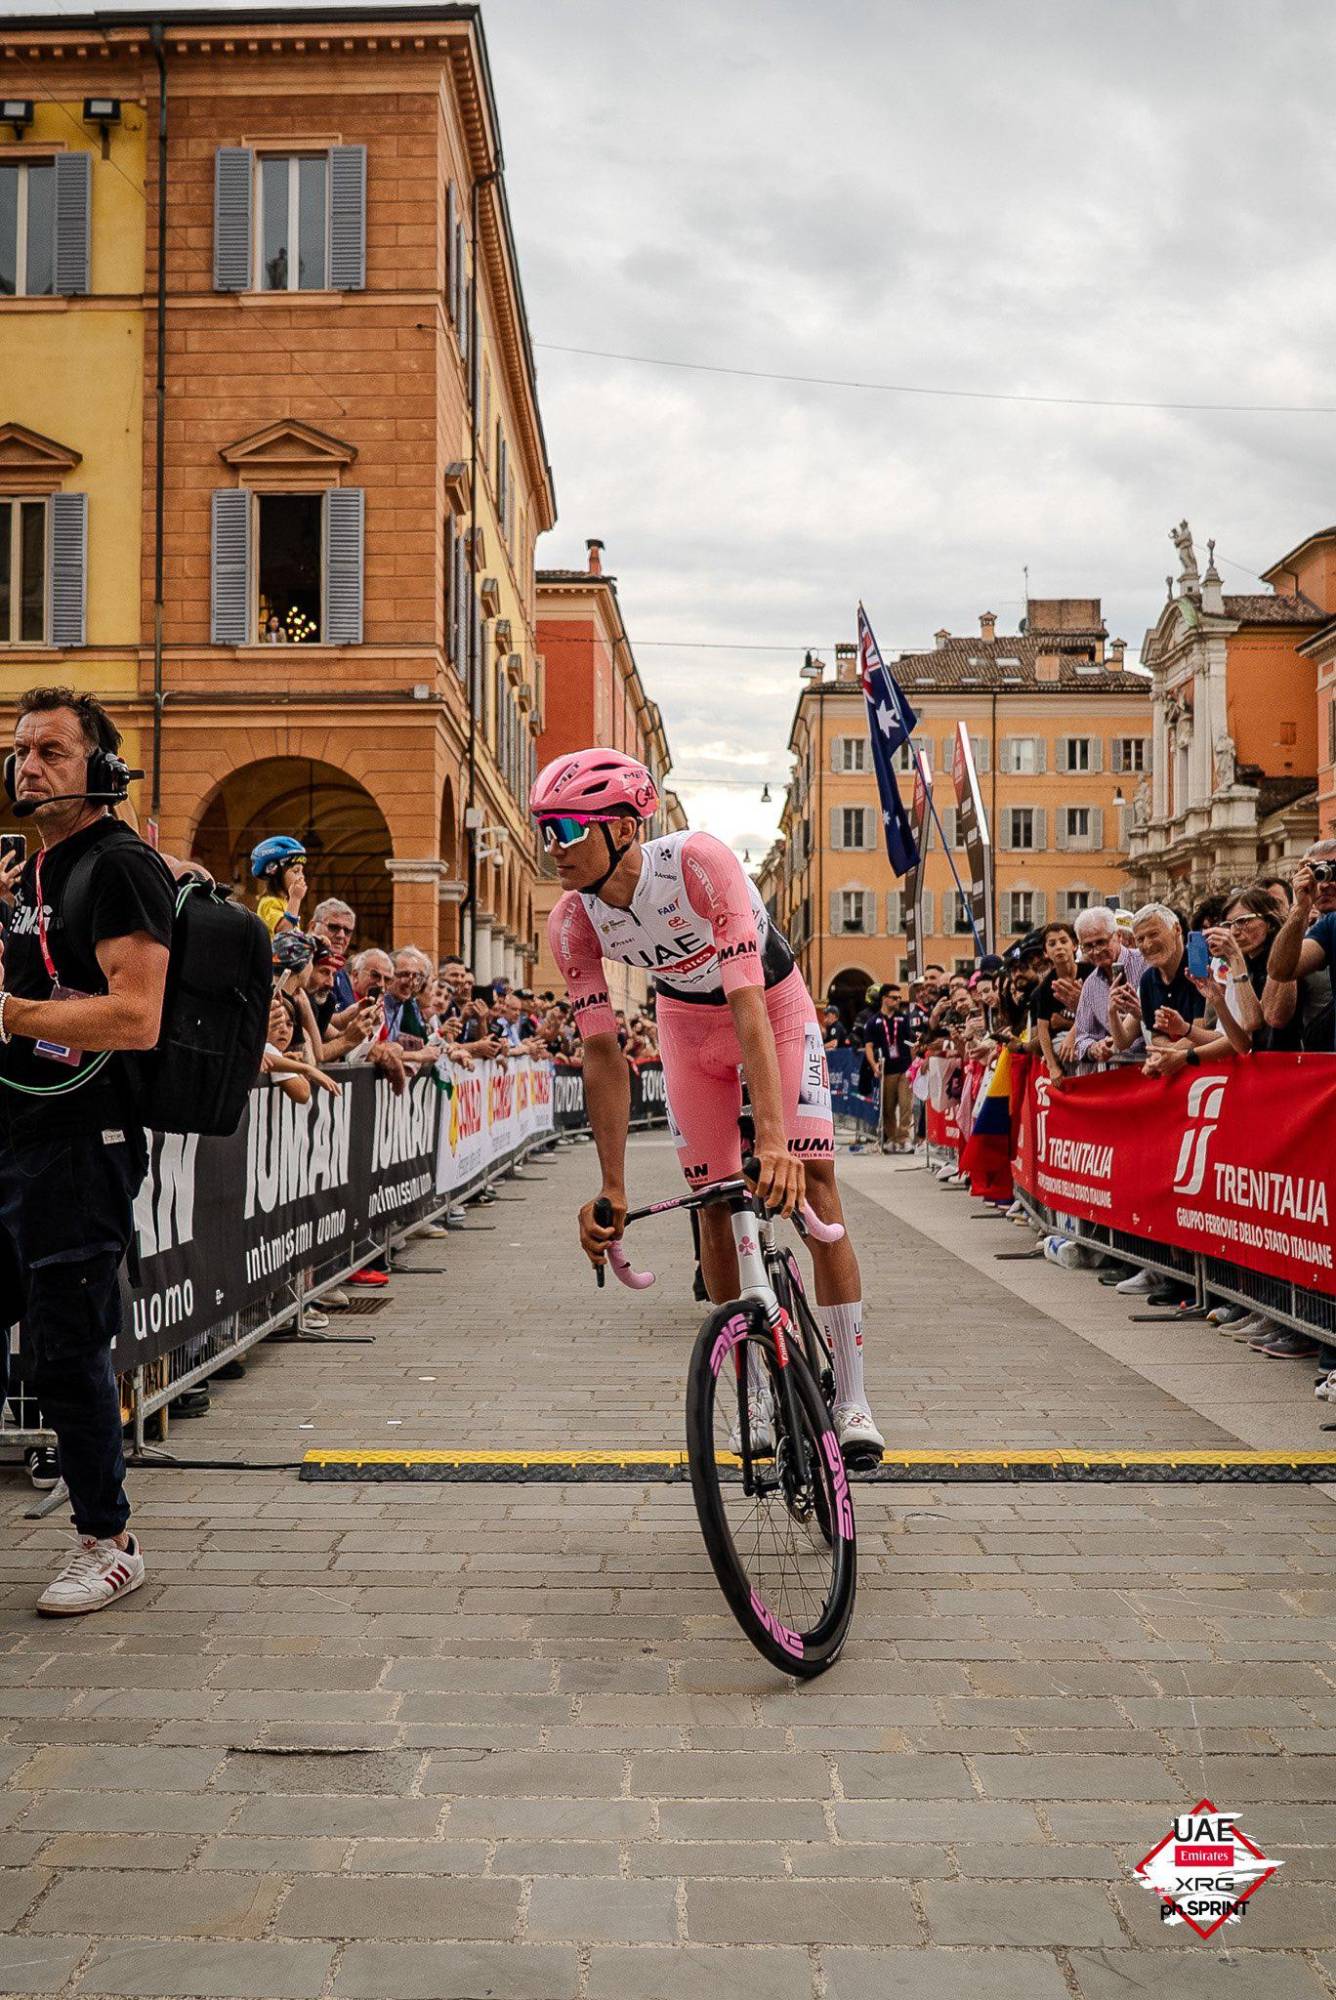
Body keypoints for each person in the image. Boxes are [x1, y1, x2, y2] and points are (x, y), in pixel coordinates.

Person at [537, 747, 883, 1464]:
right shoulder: (573, 924)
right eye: (545, 829)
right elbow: (603, 1055)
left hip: (772, 1011)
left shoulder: (697, 862)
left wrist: (778, 1142)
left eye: (566, 827)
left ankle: (852, 1400)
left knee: (816, 1189)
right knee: (715, 1205)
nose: (552, 848)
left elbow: (749, 1003)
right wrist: (612, 1186)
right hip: (686, 1030)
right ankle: (754, 1388)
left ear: (623, 828)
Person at [0, 688, 176, 1616]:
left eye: (54, 752)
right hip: (14, 1126)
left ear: (103, 770)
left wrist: (9, 1014)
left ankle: (108, 1541)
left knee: (67, 1349)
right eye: (22, 750)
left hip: (81, 1141)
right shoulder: (30, 870)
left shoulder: (118, 866)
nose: (30, 765)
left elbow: (136, 1016)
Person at [1264, 839, 1336, 1049]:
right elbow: (1281, 970)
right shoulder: (1329, 926)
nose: (1325, 883)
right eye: (1318, 873)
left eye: (1333, 871)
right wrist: (1300, 909)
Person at [1070, 906, 1146, 1067]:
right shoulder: (1091, 984)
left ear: (1118, 936)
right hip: (1119, 1070)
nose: (1096, 951)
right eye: (1088, 946)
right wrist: (1094, 1048)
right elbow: (1082, 1038)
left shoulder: (1145, 963)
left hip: (1157, 1061)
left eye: (1101, 942)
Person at [863, 983, 914, 1151]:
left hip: (904, 1067)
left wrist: (914, 1065)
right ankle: (892, 1138)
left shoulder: (903, 1018)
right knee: (888, 1107)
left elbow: (912, 1042)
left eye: (900, 998)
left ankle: (904, 1138)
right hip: (887, 1069)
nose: (898, 1000)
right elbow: (868, 1046)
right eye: (894, 997)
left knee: (906, 1105)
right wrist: (874, 1065)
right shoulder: (873, 1021)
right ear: (884, 999)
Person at [251, 836, 307, 936]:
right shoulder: (268, 903)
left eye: (302, 871)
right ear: (275, 872)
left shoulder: (285, 903)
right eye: (296, 871)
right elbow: (285, 931)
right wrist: (295, 899)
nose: (301, 876)